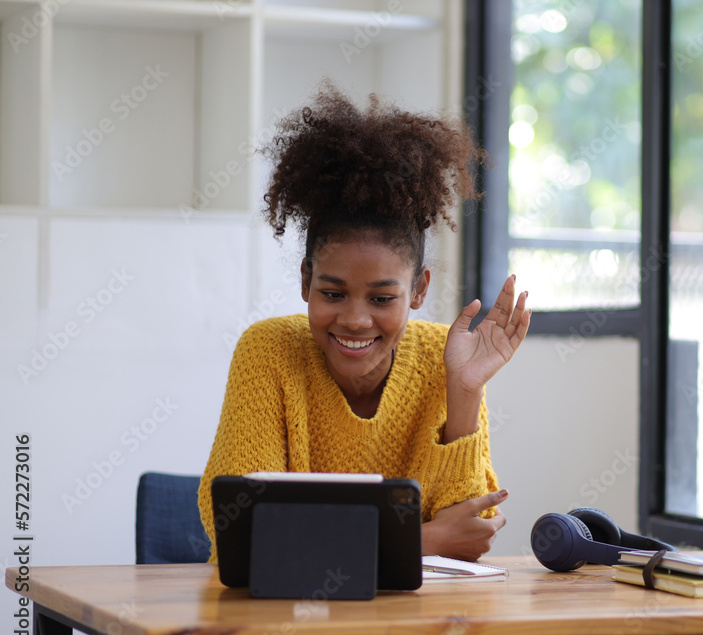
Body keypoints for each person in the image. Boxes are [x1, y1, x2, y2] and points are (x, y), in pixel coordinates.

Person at [196, 82, 530, 576]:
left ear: (418, 291)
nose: (355, 319)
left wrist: (464, 392)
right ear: (306, 280)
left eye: (381, 298)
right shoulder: (268, 351)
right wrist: (421, 539)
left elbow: (469, 536)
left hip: (415, 634)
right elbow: (245, 533)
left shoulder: (446, 356)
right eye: (333, 293)